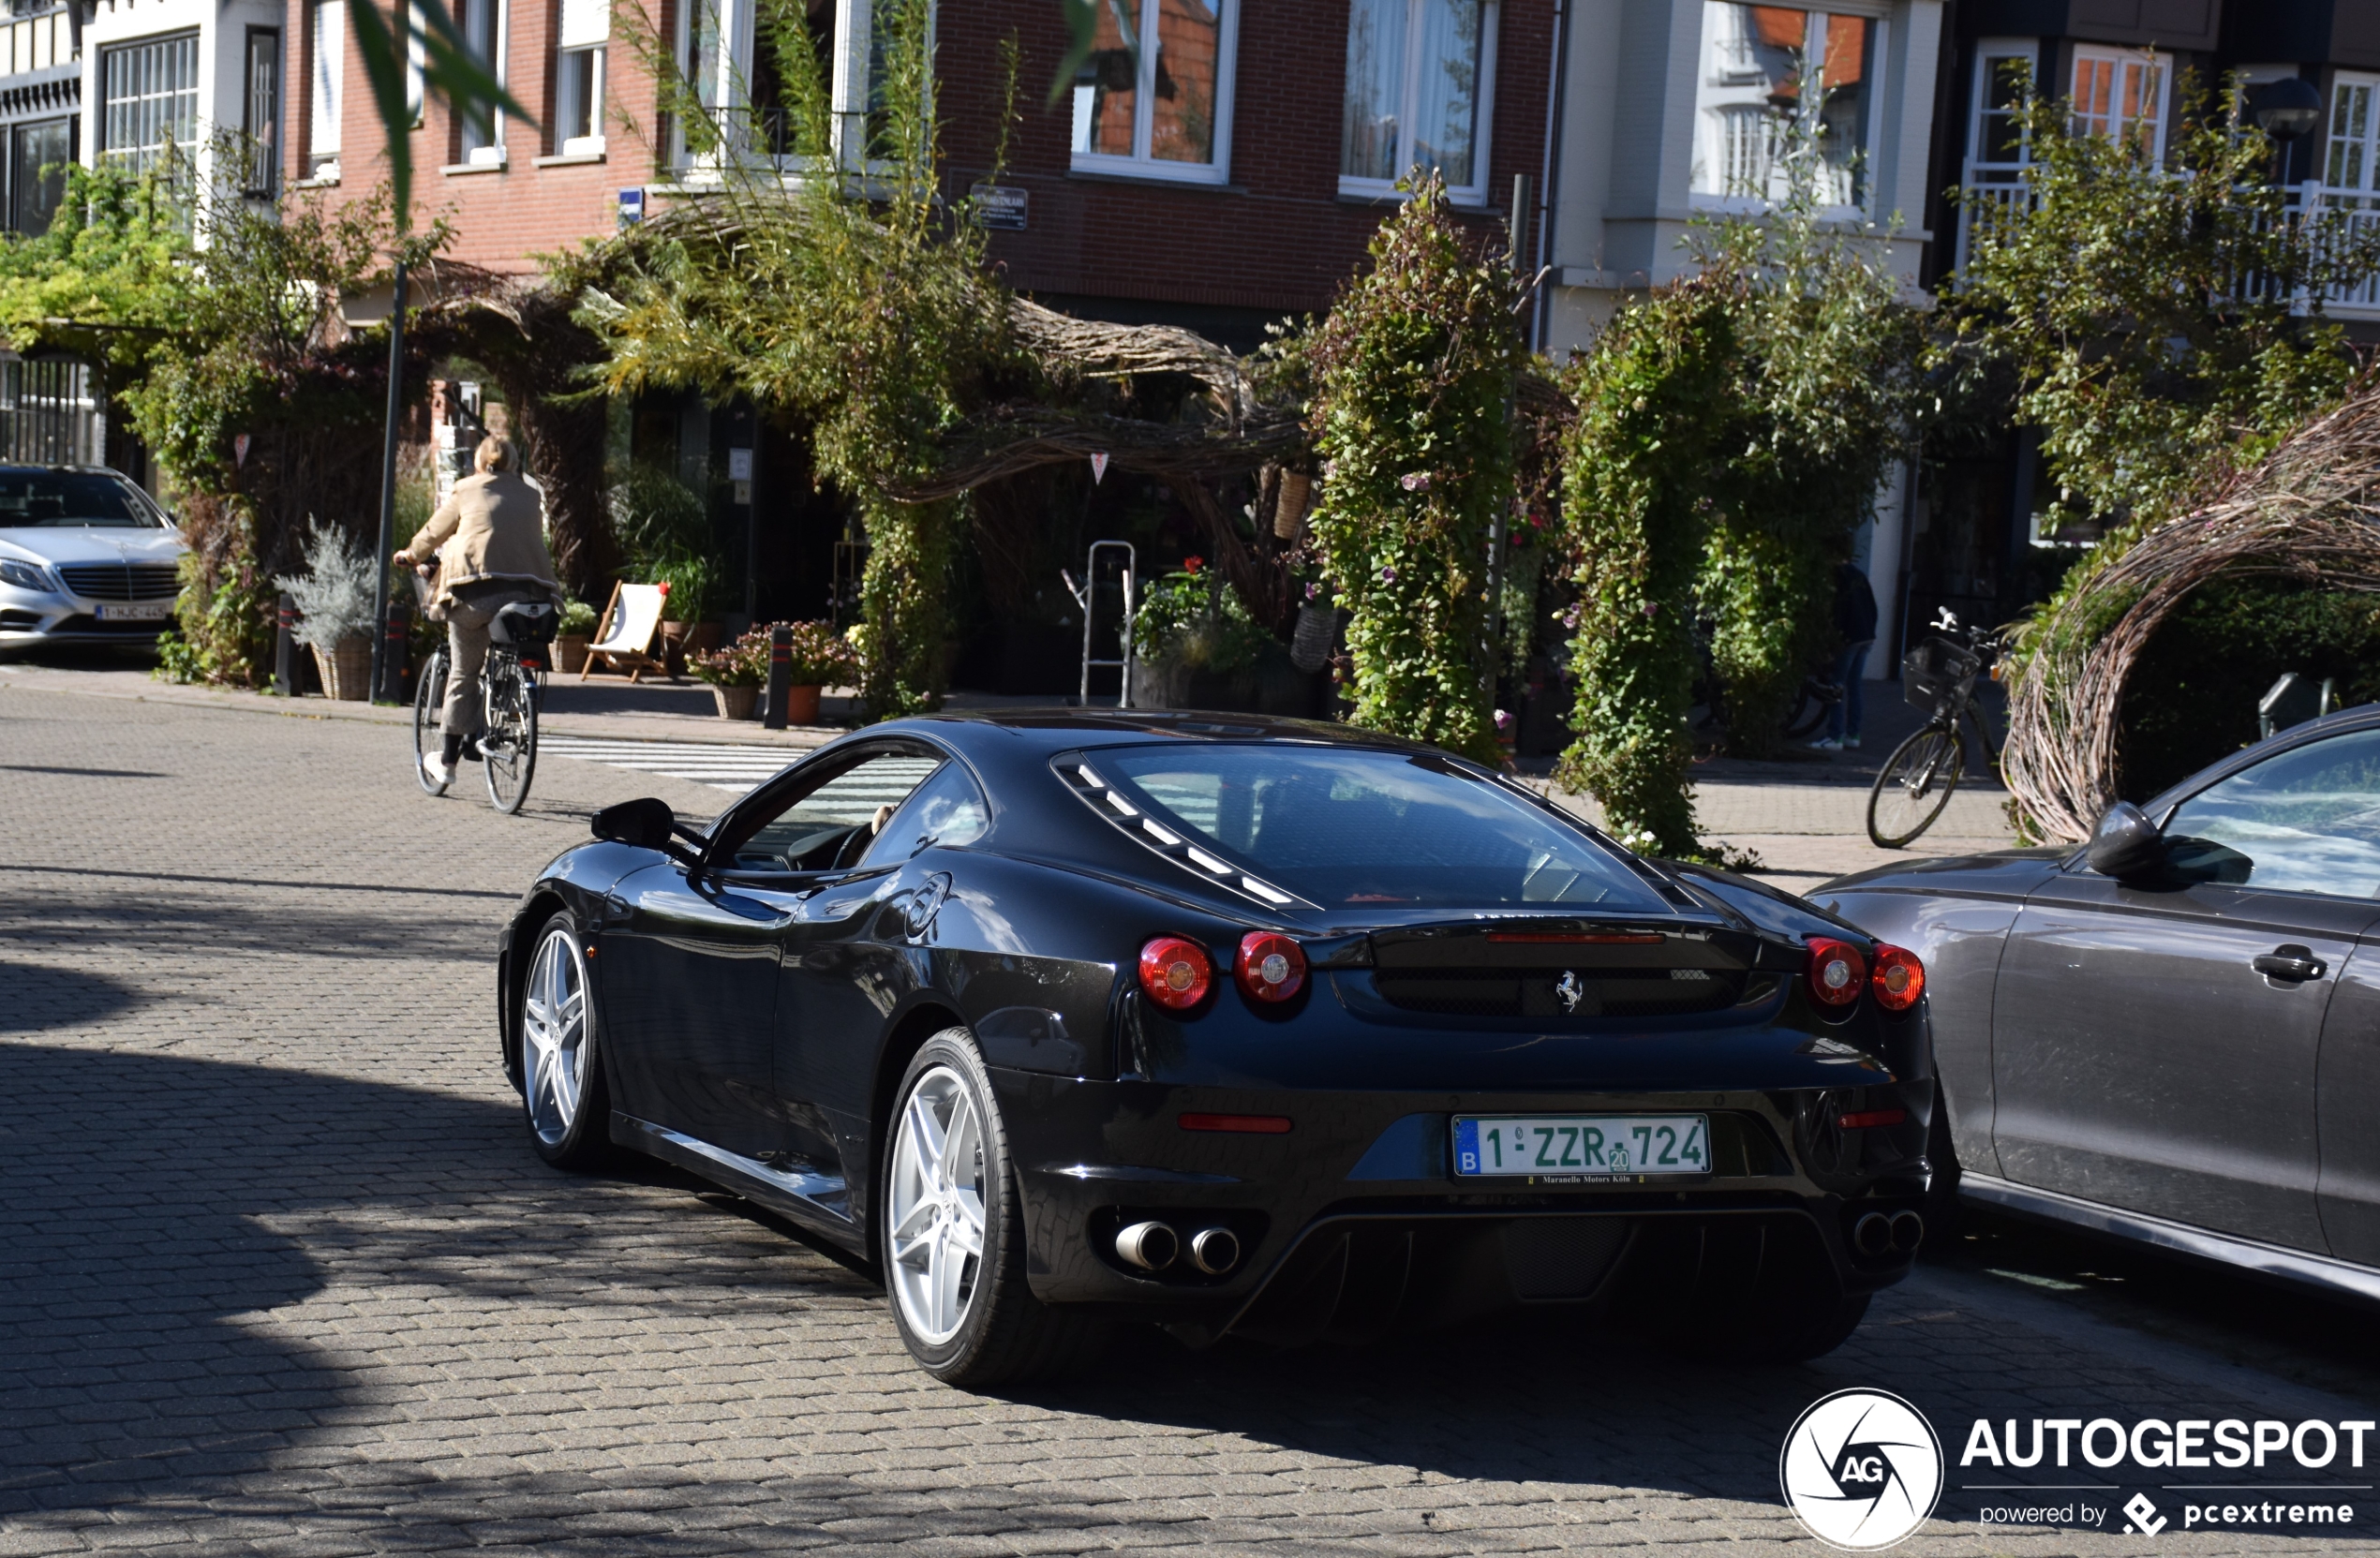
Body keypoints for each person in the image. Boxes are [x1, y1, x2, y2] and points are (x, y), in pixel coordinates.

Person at [397, 437, 559, 789]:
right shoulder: (531, 495)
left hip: (476, 595)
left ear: (479, 461)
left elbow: (434, 532)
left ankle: (447, 762)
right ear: (514, 462)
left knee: (464, 673)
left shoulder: (465, 489)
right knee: (508, 653)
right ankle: (506, 712)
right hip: (528, 597)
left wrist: (410, 555)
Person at [1811, 558, 1878, 752]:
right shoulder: (1858, 574)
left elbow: (1839, 611)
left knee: (1835, 685)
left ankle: (1835, 735)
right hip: (1865, 635)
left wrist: (1834, 639)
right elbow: (1872, 607)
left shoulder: (1838, 577)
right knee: (1854, 685)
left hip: (1849, 637)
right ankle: (1853, 734)